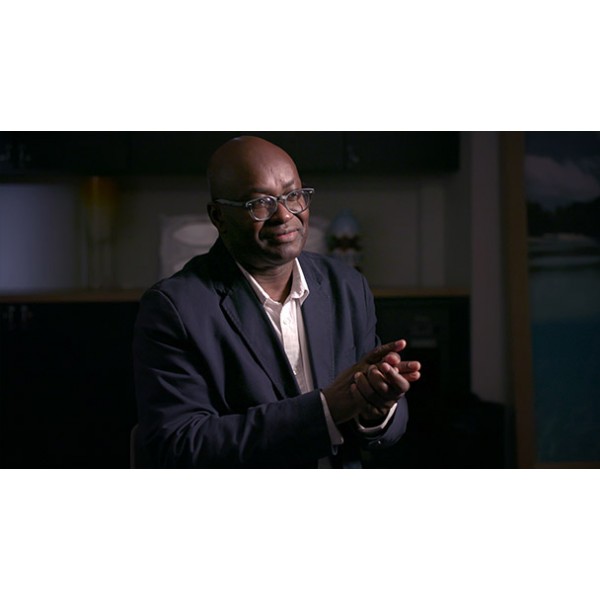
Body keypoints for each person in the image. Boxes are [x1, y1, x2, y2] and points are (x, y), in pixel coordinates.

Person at [132, 135, 421, 468]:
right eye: (260, 203)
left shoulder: (346, 286)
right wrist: (325, 409)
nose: (284, 215)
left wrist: (377, 407)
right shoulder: (175, 308)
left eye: (293, 196)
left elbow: (382, 427)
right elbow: (180, 445)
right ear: (218, 216)